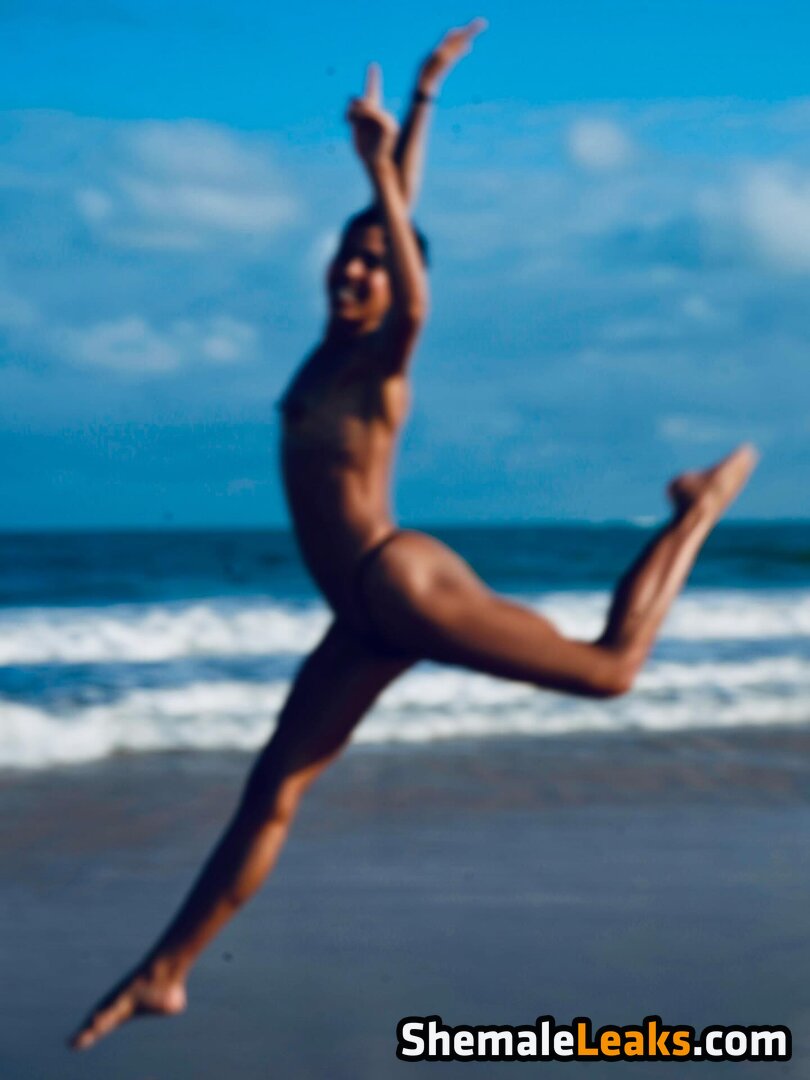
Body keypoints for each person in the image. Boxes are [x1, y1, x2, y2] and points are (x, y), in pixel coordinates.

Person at [70, 20, 756, 1050]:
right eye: (344, 259)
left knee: (611, 671)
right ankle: (166, 973)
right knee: (273, 790)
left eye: (370, 265)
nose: (353, 274)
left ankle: (695, 510)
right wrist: (422, 104)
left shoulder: (381, 358)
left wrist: (377, 175)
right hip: (360, 615)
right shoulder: (327, 345)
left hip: (398, 582)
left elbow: (412, 275)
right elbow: (398, 230)